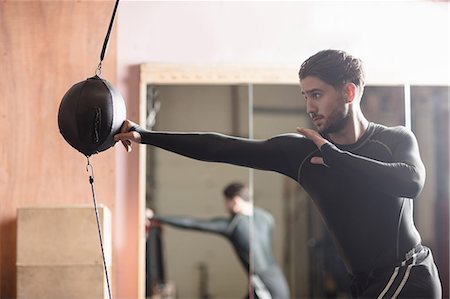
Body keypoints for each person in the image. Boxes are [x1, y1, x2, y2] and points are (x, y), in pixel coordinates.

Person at [115, 49, 442, 298]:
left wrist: (335, 157)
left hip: (407, 273)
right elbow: (221, 147)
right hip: (366, 282)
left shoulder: (394, 140)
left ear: (349, 93)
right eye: (306, 96)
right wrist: (147, 135)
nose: (310, 107)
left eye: (317, 94)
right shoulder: (301, 152)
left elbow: (410, 182)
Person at [146, 182, 290, 299]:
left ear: (235, 201)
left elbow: (193, 223)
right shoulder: (266, 217)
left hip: (264, 288)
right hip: (278, 283)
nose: (225, 207)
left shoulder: (234, 225)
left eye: (226, 202)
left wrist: (155, 216)